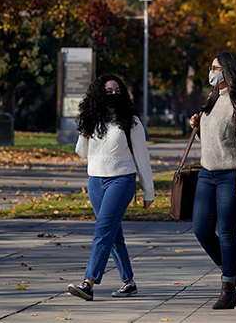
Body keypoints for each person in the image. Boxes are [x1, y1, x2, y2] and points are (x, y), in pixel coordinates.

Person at [68, 74, 155, 301]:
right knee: (113, 234)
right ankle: (129, 281)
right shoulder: (91, 119)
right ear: (98, 94)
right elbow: (82, 152)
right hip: (95, 181)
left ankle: (88, 283)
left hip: (121, 180)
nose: (114, 94)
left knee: (103, 231)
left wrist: (149, 191)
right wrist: (84, 136)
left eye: (117, 91)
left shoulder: (131, 122)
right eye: (109, 91)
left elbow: (142, 157)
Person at [189, 51, 236, 310]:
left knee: (227, 231)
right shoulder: (213, 98)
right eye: (211, 66)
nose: (212, 71)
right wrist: (197, 127)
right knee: (201, 229)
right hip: (207, 174)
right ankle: (232, 270)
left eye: (217, 67)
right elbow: (216, 144)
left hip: (232, 175)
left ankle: (228, 288)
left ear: (229, 71)